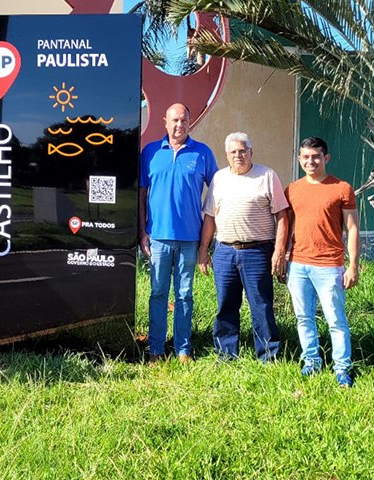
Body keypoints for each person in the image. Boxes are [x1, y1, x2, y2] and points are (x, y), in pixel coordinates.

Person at [139, 103, 218, 364]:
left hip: (189, 239)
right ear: (165, 121)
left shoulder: (202, 153)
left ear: (190, 122)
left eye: (184, 120)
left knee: (184, 294)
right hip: (158, 238)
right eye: (174, 120)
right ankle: (156, 349)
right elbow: (141, 195)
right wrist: (142, 231)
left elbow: (218, 193)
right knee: (158, 294)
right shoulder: (150, 152)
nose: (179, 125)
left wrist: (207, 239)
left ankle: (183, 349)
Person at [199, 132, 288, 362]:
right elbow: (210, 216)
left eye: (243, 150)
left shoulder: (267, 176)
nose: (238, 155)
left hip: (257, 252)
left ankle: (268, 356)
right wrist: (203, 250)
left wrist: (279, 251)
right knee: (225, 304)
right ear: (227, 155)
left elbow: (282, 216)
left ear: (251, 152)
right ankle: (226, 354)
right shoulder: (219, 178)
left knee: (261, 305)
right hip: (225, 252)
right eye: (233, 152)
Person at [284, 137, 359, 387]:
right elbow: (288, 226)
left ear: (326, 158)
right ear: (299, 159)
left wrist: (353, 266)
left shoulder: (342, 188)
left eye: (316, 156)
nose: (310, 161)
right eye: (305, 157)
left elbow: (352, 228)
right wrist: (284, 257)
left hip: (329, 265)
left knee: (335, 320)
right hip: (298, 265)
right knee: (303, 317)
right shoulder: (292, 189)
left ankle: (342, 369)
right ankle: (312, 362)